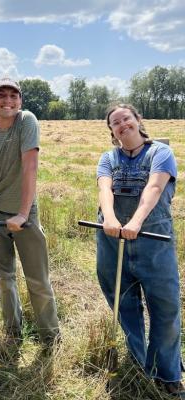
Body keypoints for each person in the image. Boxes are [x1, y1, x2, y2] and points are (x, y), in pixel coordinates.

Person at [0, 78, 60, 354]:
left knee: (37, 278)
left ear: (20, 101)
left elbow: (30, 168)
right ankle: (12, 331)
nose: (7, 100)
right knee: (3, 276)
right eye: (1, 95)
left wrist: (22, 213)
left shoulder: (27, 121)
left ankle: (50, 336)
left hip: (23, 213)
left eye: (13, 96)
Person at [97, 103, 184, 397]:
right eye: (115, 123)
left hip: (153, 239)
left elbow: (154, 189)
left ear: (138, 120)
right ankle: (139, 364)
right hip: (113, 241)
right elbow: (104, 189)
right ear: (112, 130)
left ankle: (167, 372)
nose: (123, 125)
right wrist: (109, 218)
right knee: (124, 304)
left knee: (165, 307)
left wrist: (134, 221)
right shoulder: (109, 158)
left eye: (126, 118)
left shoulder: (160, 152)